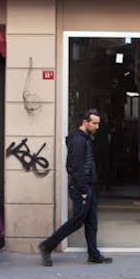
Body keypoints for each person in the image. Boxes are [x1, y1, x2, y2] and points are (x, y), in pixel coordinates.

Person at [38, 108, 112, 266]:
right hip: (82, 187)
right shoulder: (79, 140)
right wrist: (83, 190)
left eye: (98, 123)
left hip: (88, 186)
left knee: (92, 221)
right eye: (94, 123)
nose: (97, 127)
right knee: (77, 221)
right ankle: (47, 245)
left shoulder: (84, 138)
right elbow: (76, 167)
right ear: (85, 122)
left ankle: (93, 254)